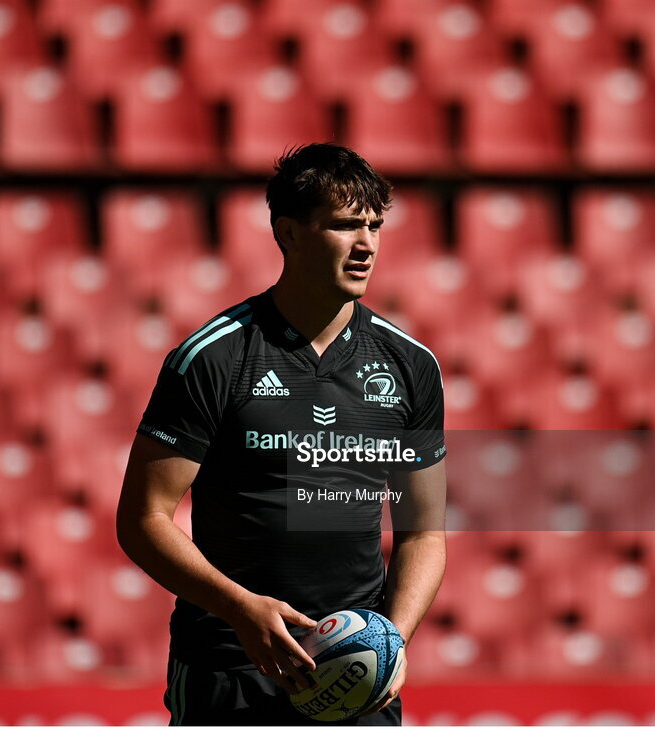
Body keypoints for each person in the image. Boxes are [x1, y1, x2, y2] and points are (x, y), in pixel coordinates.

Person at [116, 143, 446, 726]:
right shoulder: (212, 359)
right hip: (231, 669)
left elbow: (424, 533)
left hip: (352, 675)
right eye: (345, 226)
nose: (366, 244)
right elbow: (143, 520)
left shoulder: (410, 365)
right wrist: (242, 611)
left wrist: (392, 642)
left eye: (374, 225)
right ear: (288, 234)